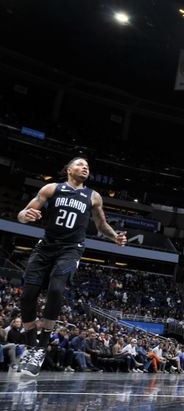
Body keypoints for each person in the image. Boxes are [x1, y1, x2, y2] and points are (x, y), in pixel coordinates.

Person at [16, 156, 126, 376]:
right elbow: (22, 215)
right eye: (79, 164)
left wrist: (114, 237)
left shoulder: (93, 196)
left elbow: (101, 224)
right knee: (27, 296)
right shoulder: (51, 188)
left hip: (71, 249)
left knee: (56, 290)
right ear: (68, 169)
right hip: (45, 247)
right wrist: (25, 216)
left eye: (87, 166)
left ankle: (41, 346)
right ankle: (31, 345)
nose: (85, 167)